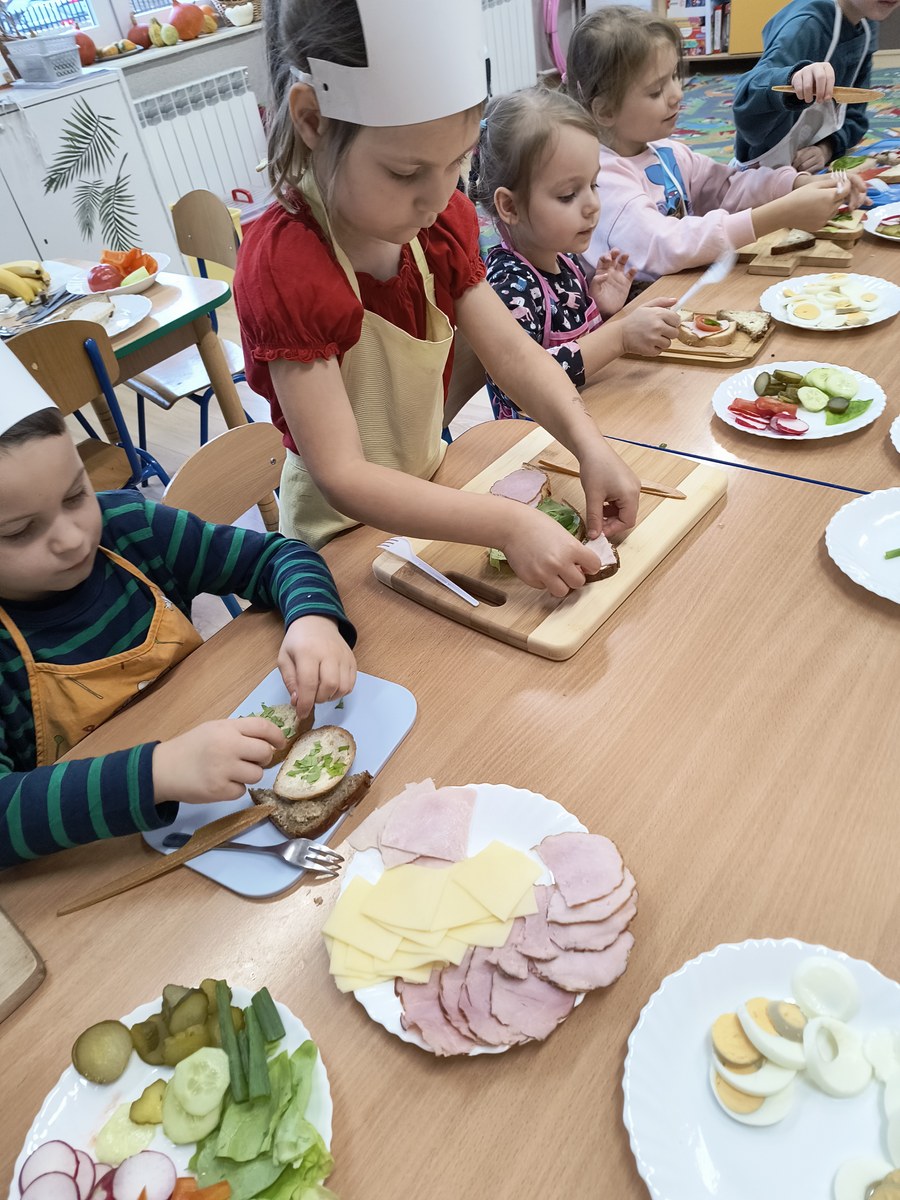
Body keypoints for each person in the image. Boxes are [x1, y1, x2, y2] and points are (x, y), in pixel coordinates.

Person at [234, 0, 641, 596]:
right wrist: (506, 523)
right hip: (336, 548)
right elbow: (344, 476)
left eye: (457, 162)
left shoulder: (436, 226)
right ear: (313, 120)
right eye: (406, 173)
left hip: (433, 498)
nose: (437, 197)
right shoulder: (286, 266)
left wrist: (589, 445)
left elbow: (515, 355)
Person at [0, 346, 357, 868]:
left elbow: (277, 555)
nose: (72, 537)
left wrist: (312, 618)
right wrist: (155, 774)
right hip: (96, 859)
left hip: (211, 797)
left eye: (76, 495)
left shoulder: (133, 531)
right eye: (18, 531)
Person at [566, 6, 868, 284]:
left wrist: (796, 184)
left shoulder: (665, 150)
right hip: (635, 309)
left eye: (675, 77)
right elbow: (667, 244)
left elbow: (726, 186)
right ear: (605, 110)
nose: (677, 94)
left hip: (677, 287)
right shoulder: (601, 180)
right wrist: (778, 214)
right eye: (656, 90)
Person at [468, 87, 680, 420]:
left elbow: (579, 347)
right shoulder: (509, 285)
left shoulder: (563, 259)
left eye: (593, 185)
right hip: (536, 439)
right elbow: (528, 382)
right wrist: (619, 336)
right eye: (568, 195)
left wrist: (600, 308)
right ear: (510, 206)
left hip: (594, 413)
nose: (593, 204)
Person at [733, 0, 898, 172]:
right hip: (760, 173)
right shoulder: (805, 26)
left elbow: (855, 115)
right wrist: (791, 79)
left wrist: (826, 148)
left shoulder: (866, 25)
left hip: (807, 169)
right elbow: (746, 100)